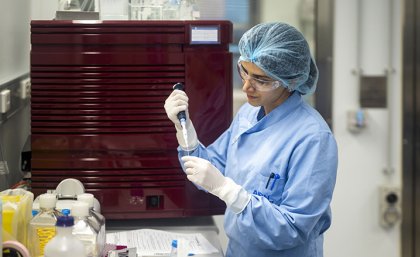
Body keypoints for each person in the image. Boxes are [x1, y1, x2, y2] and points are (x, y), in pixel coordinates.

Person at [164, 22, 338, 257]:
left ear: (290, 80)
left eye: (261, 80)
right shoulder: (249, 114)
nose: (247, 86)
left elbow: (292, 229)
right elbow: (208, 172)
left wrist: (229, 191)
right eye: (244, 71)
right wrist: (184, 131)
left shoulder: (313, 139)